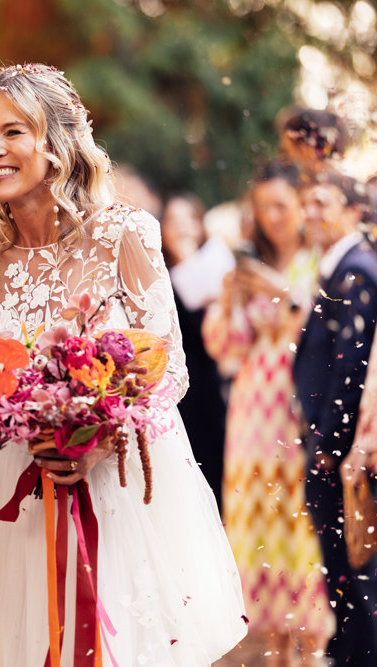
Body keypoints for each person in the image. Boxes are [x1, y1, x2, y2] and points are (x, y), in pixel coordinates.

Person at [0, 63, 246, 666]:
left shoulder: (124, 234)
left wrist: (95, 437)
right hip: (12, 493)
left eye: (13, 131)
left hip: (111, 489)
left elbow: (170, 371)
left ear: (57, 143)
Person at [201, 161, 332, 664]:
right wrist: (234, 298)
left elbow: (327, 333)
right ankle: (275, 646)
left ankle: (313, 643)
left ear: (301, 204)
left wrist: (278, 290)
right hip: (254, 406)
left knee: (302, 516)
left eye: (282, 204)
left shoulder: (320, 262)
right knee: (258, 517)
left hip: (303, 402)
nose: (273, 216)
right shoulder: (245, 265)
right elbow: (225, 348)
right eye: (264, 206)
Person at [294, 170, 377, 664]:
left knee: (354, 563)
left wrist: (330, 446)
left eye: (322, 203)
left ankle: (358, 654)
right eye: (308, 203)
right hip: (329, 438)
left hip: (344, 447)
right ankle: (346, 649)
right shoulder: (339, 267)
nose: (311, 213)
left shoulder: (359, 269)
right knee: (339, 564)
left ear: (354, 211)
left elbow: (351, 368)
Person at [160, 192, 229, 510]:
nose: (183, 228)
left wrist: (192, 267)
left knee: (213, 467)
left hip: (209, 386)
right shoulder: (156, 273)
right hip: (173, 390)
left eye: (190, 219)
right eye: (174, 221)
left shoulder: (216, 269)